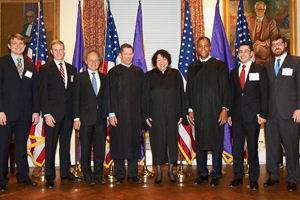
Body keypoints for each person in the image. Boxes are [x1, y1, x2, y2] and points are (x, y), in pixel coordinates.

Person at [186, 36, 230, 187]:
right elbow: (189, 89)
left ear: (210, 47)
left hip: (216, 111)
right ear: (197, 49)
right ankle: (203, 174)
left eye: (206, 46)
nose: (203, 48)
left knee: (216, 143)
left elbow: (226, 88)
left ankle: (216, 174)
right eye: (200, 46)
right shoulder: (192, 67)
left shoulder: (219, 65)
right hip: (198, 111)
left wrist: (224, 109)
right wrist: (190, 109)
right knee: (201, 144)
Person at [0, 33, 39, 193]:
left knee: (22, 147)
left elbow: (34, 91)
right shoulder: (2, 62)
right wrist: (0, 110)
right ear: (9, 45)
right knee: (2, 147)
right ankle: (2, 180)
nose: (18, 46)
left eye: (21, 43)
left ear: (24, 46)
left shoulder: (30, 66)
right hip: (6, 114)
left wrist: (36, 110)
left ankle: (23, 177)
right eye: (14, 43)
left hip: (25, 114)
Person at [39, 40, 80, 188]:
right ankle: (49, 175)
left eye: (60, 49)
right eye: (55, 50)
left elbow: (74, 94)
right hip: (52, 115)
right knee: (50, 145)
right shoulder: (45, 69)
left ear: (64, 50)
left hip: (68, 114)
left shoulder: (72, 69)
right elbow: (42, 93)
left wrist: (76, 115)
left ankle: (65, 173)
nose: (58, 52)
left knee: (65, 145)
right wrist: (47, 114)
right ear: (51, 51)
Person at [228, 44, 268, 190]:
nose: (243, 54)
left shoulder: (260, 69)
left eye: (246, 51)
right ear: (237, 54)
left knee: (252, 148)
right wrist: (230, 114)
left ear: (251, 53)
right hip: (237, 116)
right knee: (237, 147)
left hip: (253, 116)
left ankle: (253, 179)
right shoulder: (233, 72)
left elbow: (264, 93)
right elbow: (232, 94)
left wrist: (264, 114)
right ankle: (237, 177)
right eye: (240, 52)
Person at [263, 34, 300, 192]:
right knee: (271, 147)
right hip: (271, 114)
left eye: (279, 43)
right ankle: (273, 176)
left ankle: (293, 178)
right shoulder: (267, 66)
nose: (276, 46)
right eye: (273, 44)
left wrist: (299, 108)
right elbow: (263, 91)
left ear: (285, 45)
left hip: (290, 113)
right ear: (270, 48)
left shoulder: (297, 62)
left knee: (291, 147)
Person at [143, 49, 186, 185]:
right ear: (155, 63)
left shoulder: (175, 74)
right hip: (156, 116)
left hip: (172, 115)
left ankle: (171, 171)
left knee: (171, 143)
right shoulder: (149, 76)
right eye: (159, 60)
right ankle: (159, 172)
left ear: (168, 61)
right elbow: (145, 97)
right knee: (157, 143)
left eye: (164, 59)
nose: (162, 62)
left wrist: (181, 114)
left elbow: (180, 95)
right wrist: (147, 115)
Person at [106, 43, 144, 184]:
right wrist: (111, 114)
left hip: (135, 115)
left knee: (134, 144)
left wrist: (142, 115)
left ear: (133, 55)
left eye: (130, 54)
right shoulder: (113, 72)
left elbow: (143, 95)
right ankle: (120, 175)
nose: (128, 56)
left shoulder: (139, 72)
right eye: (125, 54)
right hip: (118, 115)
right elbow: (109, 94)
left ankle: (133, 174)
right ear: (120, 55)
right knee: (118, 144)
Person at [73, 50, 107, 186]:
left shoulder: (104, 78)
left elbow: (106, 99)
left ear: (99, 62)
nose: (94, 62)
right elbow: (75, 99)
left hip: (101, 120)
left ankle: (98, 174)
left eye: (96, 60)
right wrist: (76, 118)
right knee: (85, 149)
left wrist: (109, 116)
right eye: (91, 60)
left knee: (100, 149)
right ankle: (87, 174)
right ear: (86, 61)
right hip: (85, 119)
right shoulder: (79, 77)